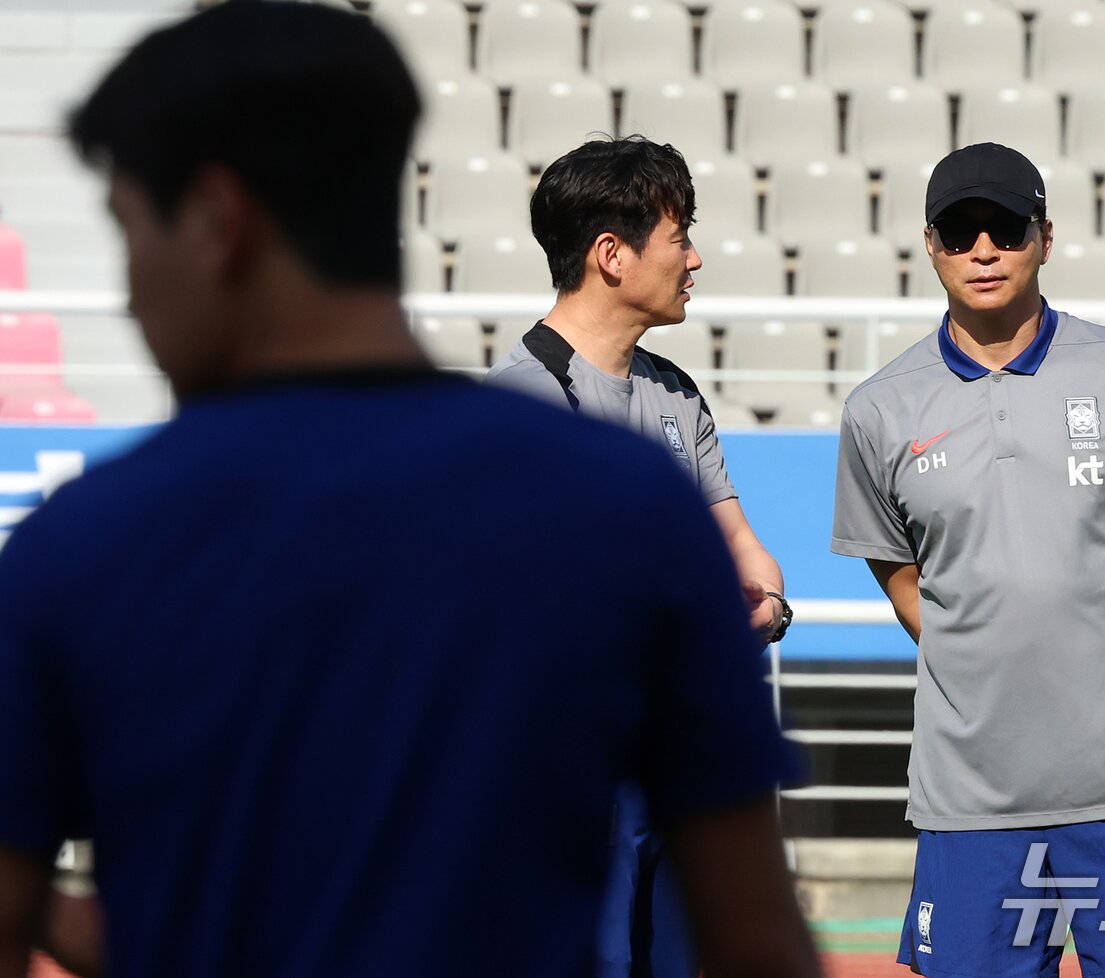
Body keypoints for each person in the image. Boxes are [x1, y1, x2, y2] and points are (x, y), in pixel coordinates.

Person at [0, 5, 821, 978]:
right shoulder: (631, 507)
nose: (132, 290)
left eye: (130, 232)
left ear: (218, 223)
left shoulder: (82, 552)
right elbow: (755, 937)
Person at [830, 142, 1105, 978]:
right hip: (972, 802)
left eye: (1006, 227)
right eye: (960, 229)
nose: (984, 249)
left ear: (1045, 238)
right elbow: (902, 577)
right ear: (931, 244)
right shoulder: (879, 409)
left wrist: (1097, 638)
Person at [486, 136, 793, 978]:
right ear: (611, 255)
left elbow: (756, 572)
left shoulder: (675, 394)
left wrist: (737, 605)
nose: (695, 257)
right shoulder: (516, 409)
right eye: (679, 234)